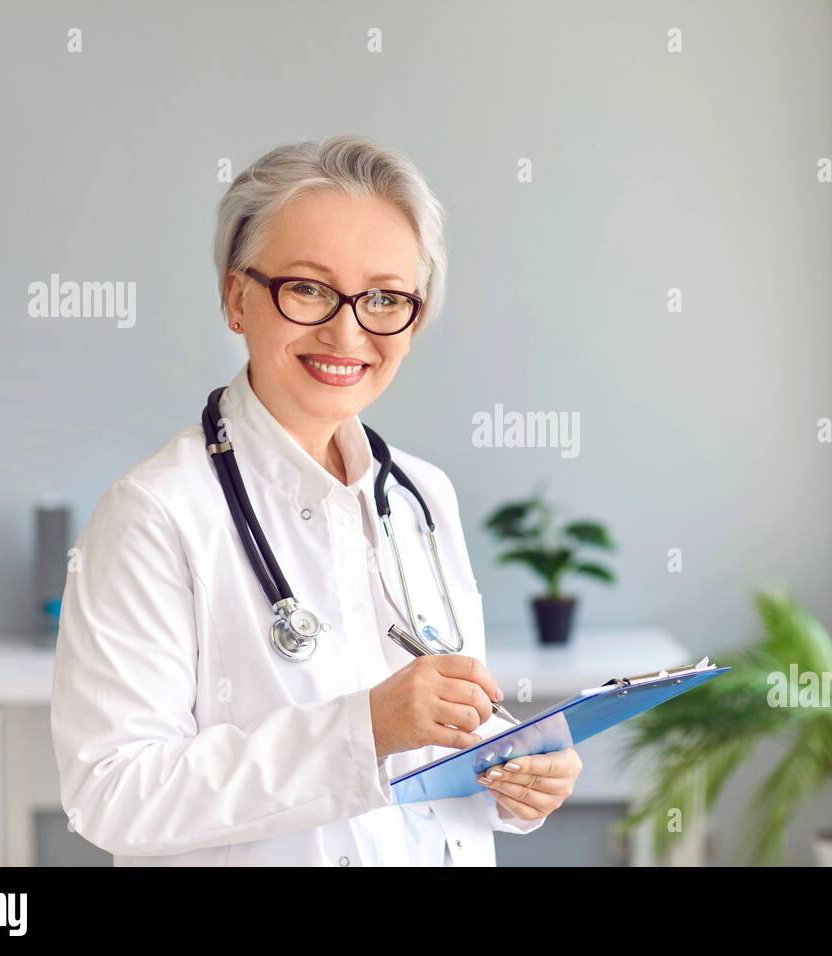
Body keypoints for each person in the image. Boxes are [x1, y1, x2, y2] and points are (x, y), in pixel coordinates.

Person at [50, 136, 582, 866]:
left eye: (385, 297)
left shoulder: (423, 496)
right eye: (307, 288)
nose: (347, 329)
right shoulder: (155, 513)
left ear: (414, 318)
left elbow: (432, 744)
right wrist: (364, 729)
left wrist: (512, 773)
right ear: (238, 299)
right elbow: (112, 792)